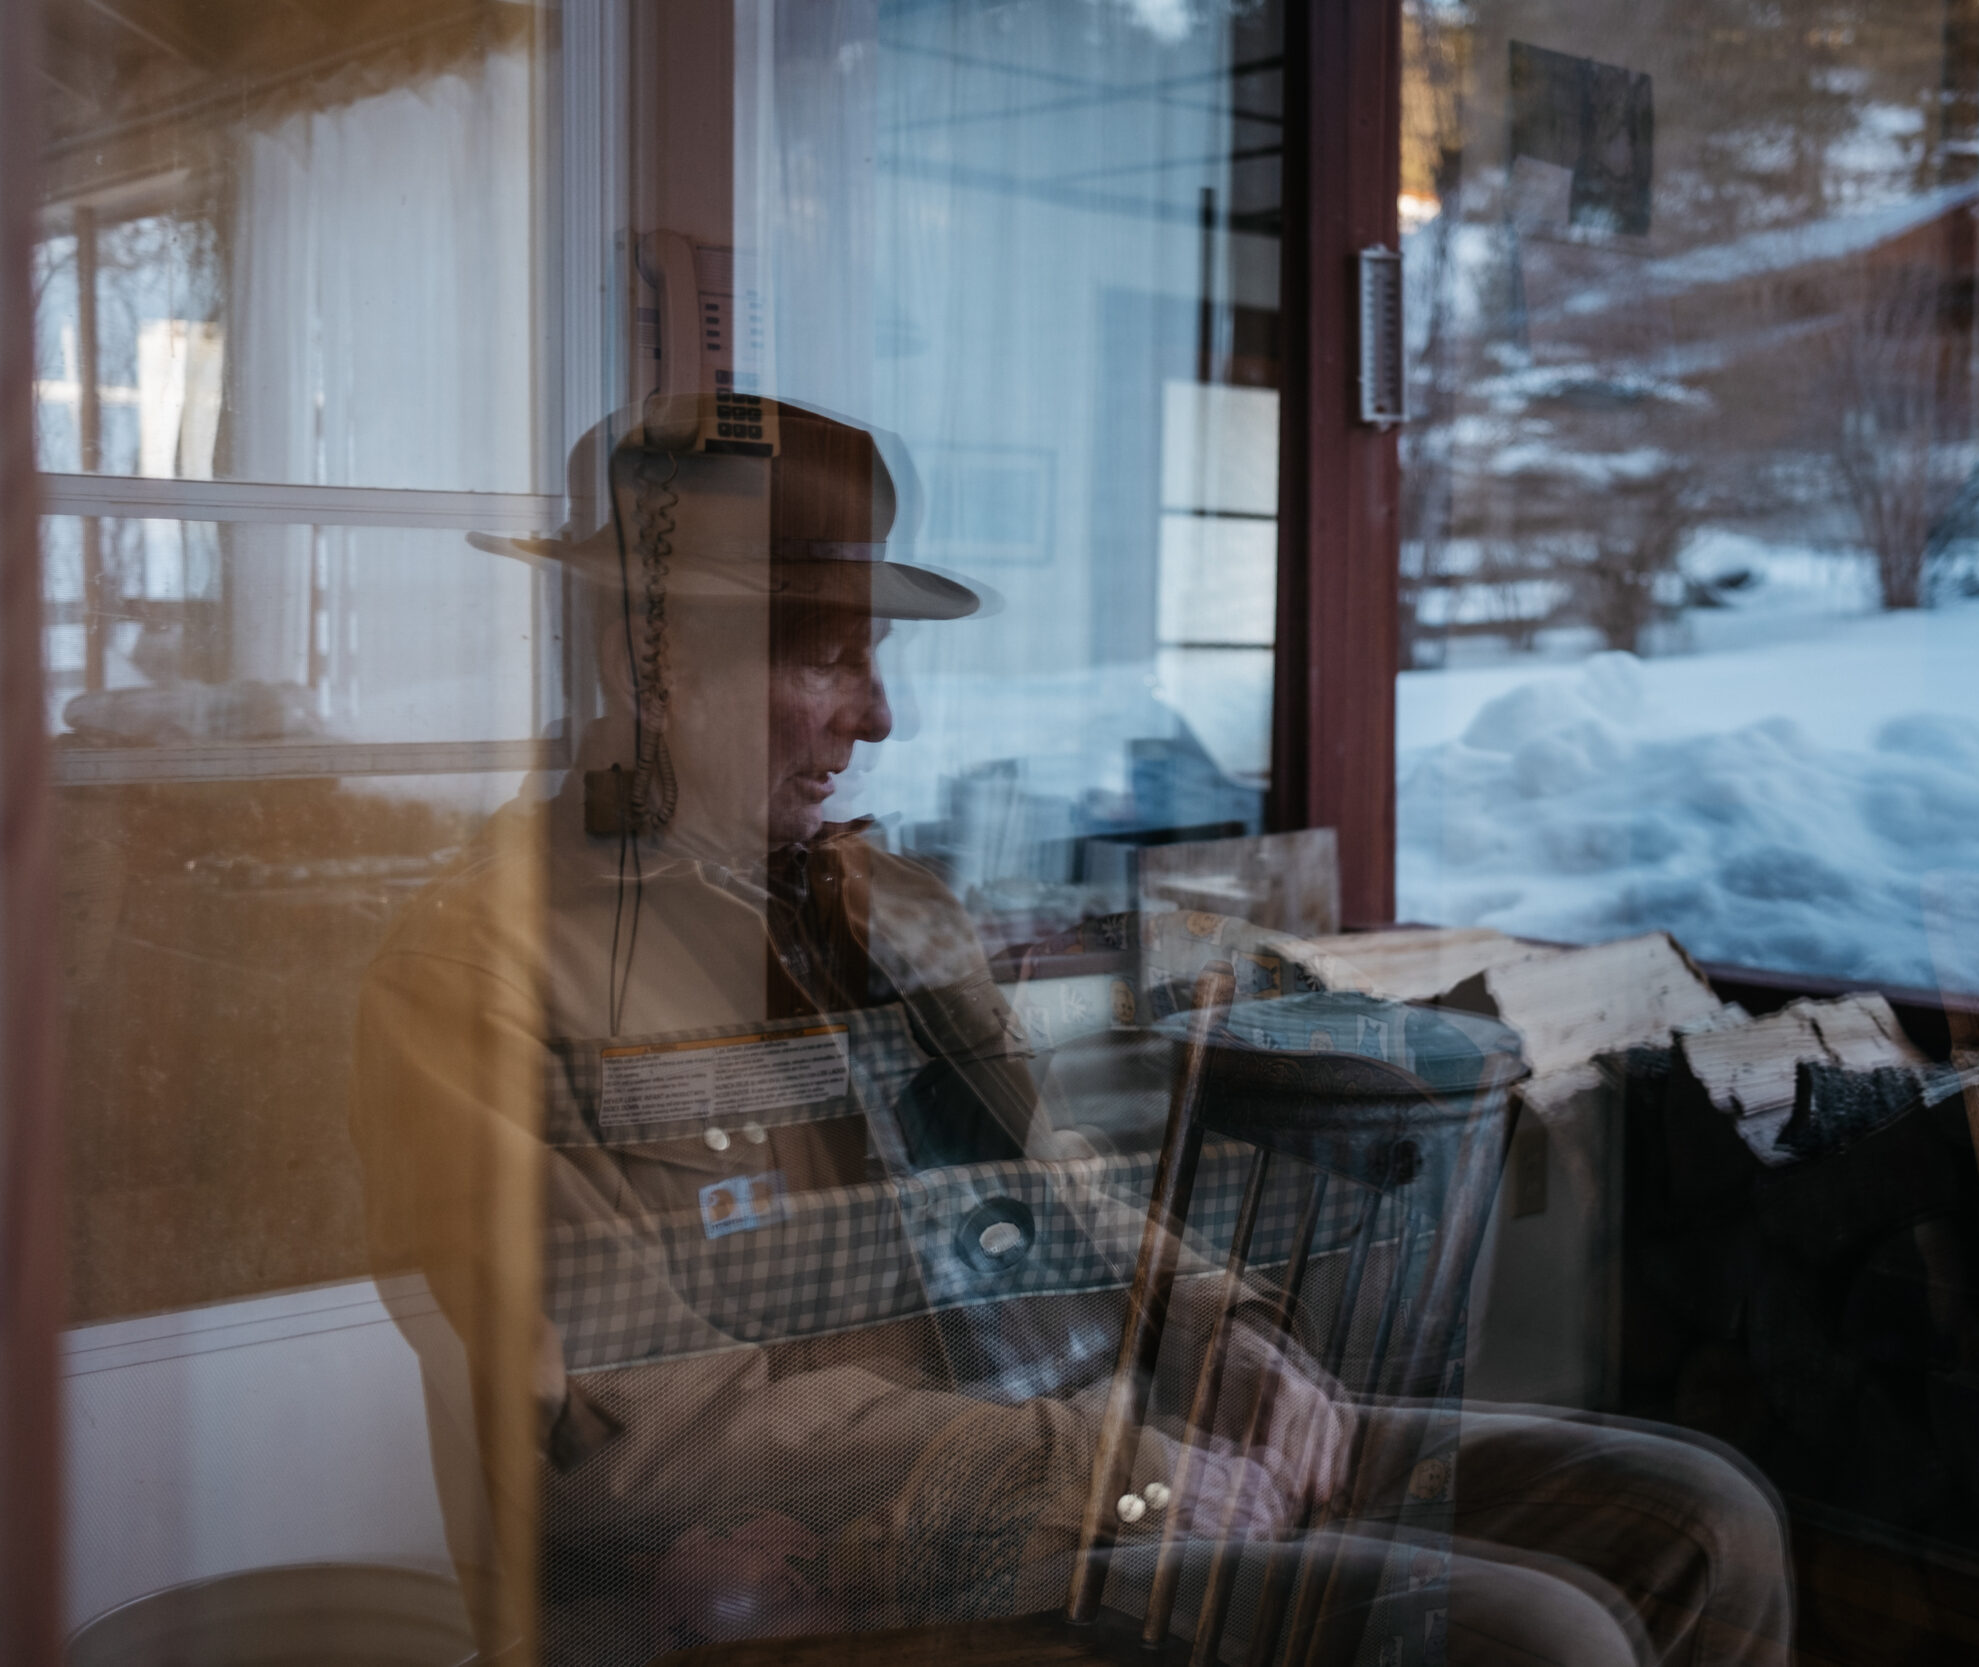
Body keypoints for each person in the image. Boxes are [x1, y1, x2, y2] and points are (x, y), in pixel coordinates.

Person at [351, 392, 1791, 1666]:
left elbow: (1061, 1192)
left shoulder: (887, 903)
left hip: (1115, 1449)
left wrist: (1224, 1333)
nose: (881, 717)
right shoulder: (480, 973)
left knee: (1707, 1525)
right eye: (826, 661)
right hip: (876, 1566)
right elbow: (651, 1440)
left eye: (871, 657)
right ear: (654, 659)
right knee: (1543, 1641)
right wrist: (1111, 1474)